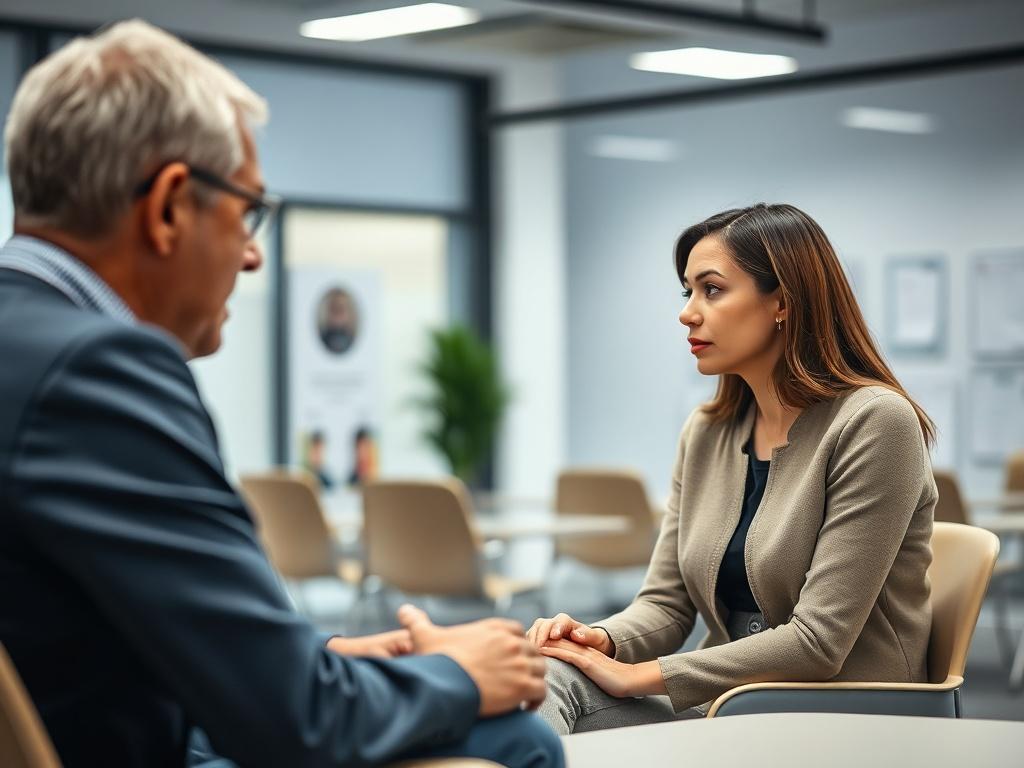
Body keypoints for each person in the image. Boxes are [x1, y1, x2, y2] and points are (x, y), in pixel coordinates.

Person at [0, 20, 561, 768]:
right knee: (515, 737)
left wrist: (312, 656)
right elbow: (298, 724)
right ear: (169, 206)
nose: (255, 253)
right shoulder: (97, 368)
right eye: (248, 211)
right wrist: (460, 674)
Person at [528, 203, 937, 734]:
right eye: (687, 292)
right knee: (541, 672)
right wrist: (597, 642)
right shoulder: (707, 431)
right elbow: (666, 605)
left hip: (844, 710)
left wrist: (639, 676)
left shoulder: (876, 422)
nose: (688, 312)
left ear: (782, 302)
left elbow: (817, 643)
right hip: (729, 701)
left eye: (712, 290)